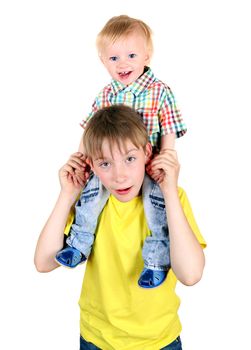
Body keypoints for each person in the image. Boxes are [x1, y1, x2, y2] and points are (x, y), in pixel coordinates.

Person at [34, 105, 206, 350]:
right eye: (105, 164)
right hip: (96, 339)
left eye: (130, 159)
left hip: (157, 341)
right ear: (91, 165)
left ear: (147, 152)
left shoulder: (172, 198)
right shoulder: (89, 201)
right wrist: (67, 194)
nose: (119, 175)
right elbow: (43, 262)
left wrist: (169, 191)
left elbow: (190, 275)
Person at [55, 15, 188, 288]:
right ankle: (78, 244)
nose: (123, 64)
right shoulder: (106, 94)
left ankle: (155, 261)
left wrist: (167, 157)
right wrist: (82, 157)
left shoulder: (160, 92)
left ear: (147, 56)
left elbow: (169, 127)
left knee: (156, 210)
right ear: (103, 61)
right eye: (113, 58)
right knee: (90, 198)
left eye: (131, 55)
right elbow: (91, 128)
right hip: (109, 164)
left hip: (146, 165)